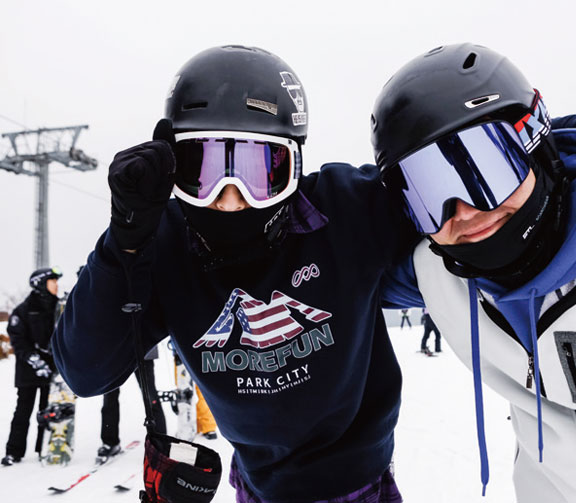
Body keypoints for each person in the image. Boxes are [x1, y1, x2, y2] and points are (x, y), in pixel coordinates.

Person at [52, 45, 414, 502]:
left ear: (293, 164)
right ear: (172, 169)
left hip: (362, 484)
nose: (230, 199)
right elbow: (86, 371)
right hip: (257, 487)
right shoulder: (164, 245)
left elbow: (453, 233)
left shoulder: (344, 212)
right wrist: (123, 243)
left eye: (257, 173)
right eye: (201, 172)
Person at [371, 43, 576, 502]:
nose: (463, 212)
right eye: (426, 192)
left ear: (535, 144)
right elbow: (322, 264)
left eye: (484, 169)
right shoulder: (433, 271)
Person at [2, 267, 62, 466]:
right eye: (52, 281)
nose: (56, 285)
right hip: (29, 372)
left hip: (51, 371)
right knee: (23, 411)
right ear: (40, 284)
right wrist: (36, 361)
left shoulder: (59, 307)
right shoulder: (24, 310)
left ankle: (44, 448)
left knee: (49, 411)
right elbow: (18, 341)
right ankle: (14, 451)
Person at [98, 345, 167, 461]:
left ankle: (160, 445)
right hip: (113, 353)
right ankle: (110, 442)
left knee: (151, 399)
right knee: (109, 398)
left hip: (143, 350)